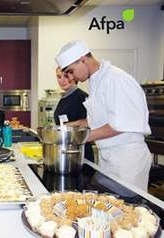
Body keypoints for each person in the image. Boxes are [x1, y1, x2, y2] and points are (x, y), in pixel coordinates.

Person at [55, 40, 152, 191]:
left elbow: (119, 125)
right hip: (109, 158)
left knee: (127, 209)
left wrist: (78, 138)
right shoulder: (96, 80)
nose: (72, 78)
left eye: (71, 71)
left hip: (126, 160)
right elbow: (97, 119)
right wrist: (70, 126)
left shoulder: (115, 79)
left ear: (82, 60)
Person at [53, 67, 95, 163]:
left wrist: (66, 126)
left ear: (74, 77)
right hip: (68, 152)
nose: (62, 80)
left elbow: (90, 123)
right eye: (59, 77)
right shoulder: (65, 98)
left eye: (66, 76)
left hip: (80, 154)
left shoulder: (82, 97)